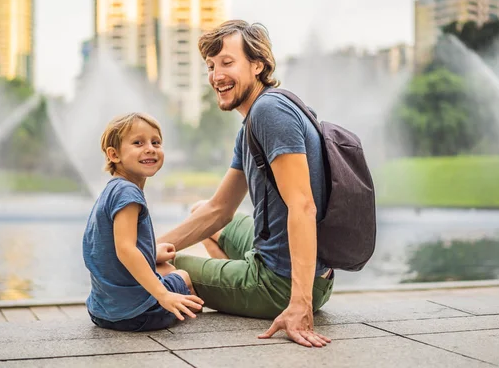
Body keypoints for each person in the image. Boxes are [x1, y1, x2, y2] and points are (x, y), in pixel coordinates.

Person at [157, 20, 333, 347]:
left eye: (227, 63)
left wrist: (300, 304)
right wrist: (146, 246)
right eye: (211, 66)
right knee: (197, 213)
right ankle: (234, 285)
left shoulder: (270, 112)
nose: (216, 75)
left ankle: (245, 290)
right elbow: (219, 210)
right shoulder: (253, 121)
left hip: (282, 284)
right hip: (295, 269)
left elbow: (303, 206)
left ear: (257, 65)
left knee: (164, 270)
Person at [83, 112, 204, 332]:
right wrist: (163, 295)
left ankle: (169, 299)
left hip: (102, 312)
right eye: (138, 143)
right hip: (139, 315)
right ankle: (186, 310)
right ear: (114, 155)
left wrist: (152, 252)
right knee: (182, 275)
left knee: (163, 266)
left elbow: (107, 248)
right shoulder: (129, 193)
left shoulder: (112, 190)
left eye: (155, 142)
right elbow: (126, 250)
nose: (150, 148)